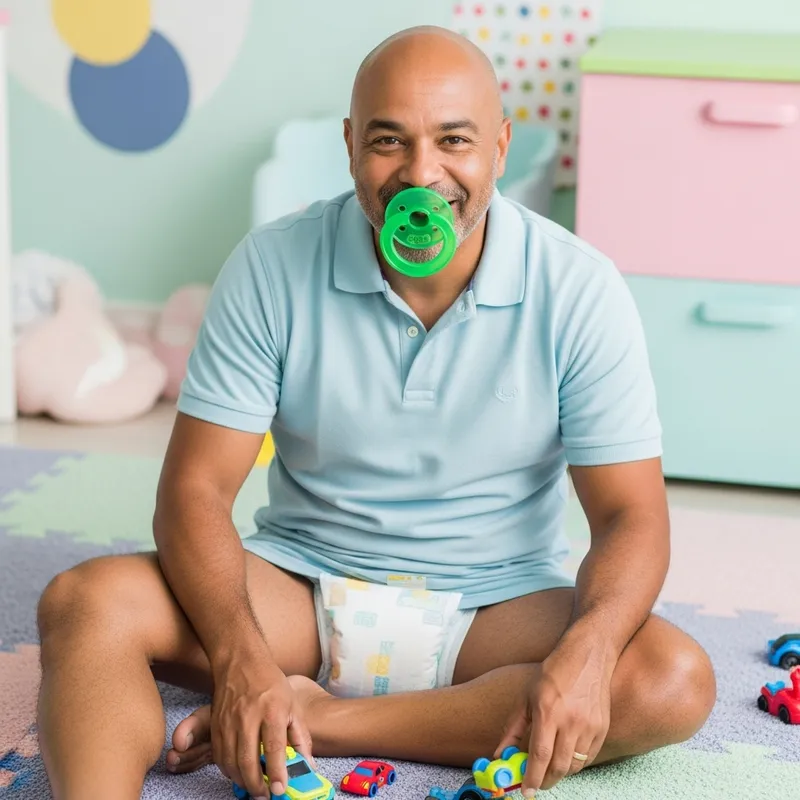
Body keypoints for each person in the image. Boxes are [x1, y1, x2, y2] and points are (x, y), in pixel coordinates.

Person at [35, 25, 716, 800]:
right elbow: (193, 493)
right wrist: (240, 661)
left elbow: (632, 515)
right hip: (298, 593)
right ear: (352, 145)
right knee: (83, 601)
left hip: (492, 613)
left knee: (672, 678)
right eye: (390, 142)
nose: (422, 175)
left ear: (500, 147)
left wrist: (589, 655)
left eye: (453, 141)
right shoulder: (272, 266)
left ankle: (324, 719)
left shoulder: (581, 291)